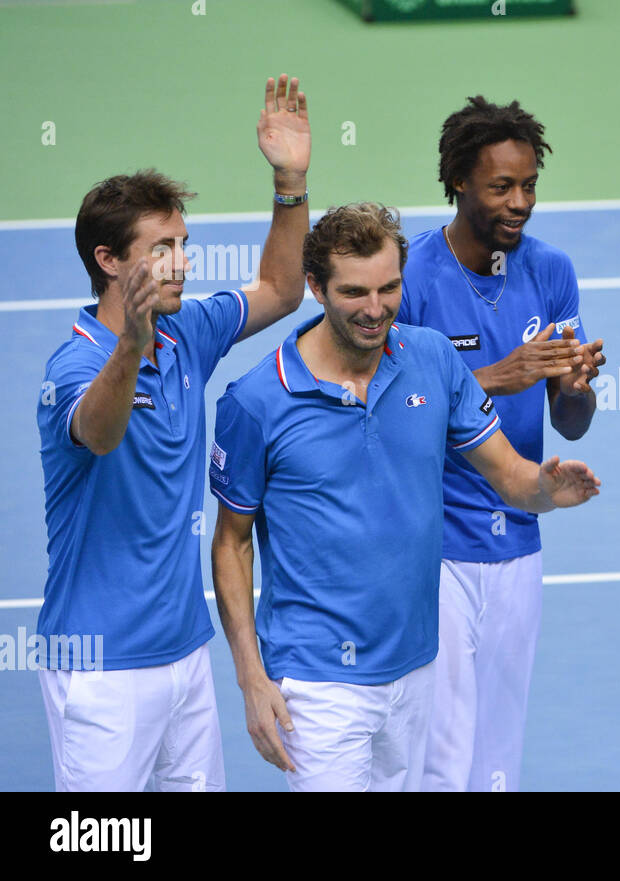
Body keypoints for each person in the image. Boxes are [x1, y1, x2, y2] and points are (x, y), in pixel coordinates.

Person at [208, 203, 600, 792]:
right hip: (319, 680)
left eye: (389, 288)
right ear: (315, 287)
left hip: (416, 667)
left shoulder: (433, 359)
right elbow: (232, 543)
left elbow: (512, 478)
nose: (375, 310)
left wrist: (547, 490)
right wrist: (250, 678)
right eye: (354, 292)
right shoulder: (256, 402)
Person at [34, 75, 312, 792]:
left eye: (183, 244)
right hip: (98, 670)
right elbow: (98, 432)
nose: (181, 262)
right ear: (109, 261)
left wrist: (289, 182)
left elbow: (281, 290)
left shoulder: (189, 331)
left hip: (185, 656)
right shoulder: (74, 364)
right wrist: (133, 343)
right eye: (162, 247)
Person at [397, 96, 604, 792]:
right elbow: (386, 414)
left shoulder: (551, 271)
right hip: (436, 545)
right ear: (458, 179)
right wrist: (492, 376)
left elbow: (570, 421)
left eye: (529, 185)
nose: (520, 202)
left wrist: (574, 384)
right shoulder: (410, 279)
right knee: (441, 749)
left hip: (518, 540)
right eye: (501, 187)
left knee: (496, 755)